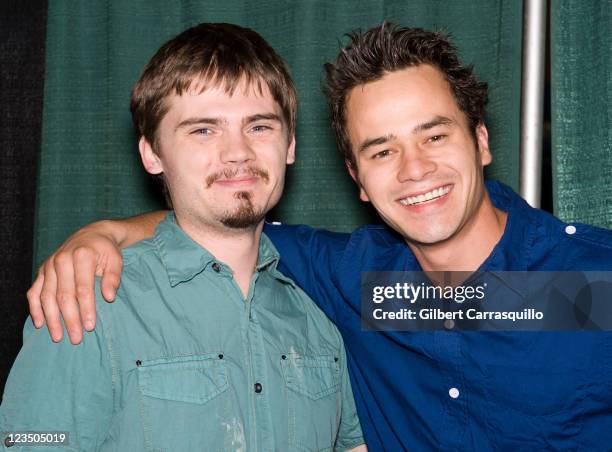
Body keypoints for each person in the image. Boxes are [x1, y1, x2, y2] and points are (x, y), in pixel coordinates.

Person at [24, 23, 612, 450]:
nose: (413, 169)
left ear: (481, 141)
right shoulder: (352, 280)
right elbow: (227, 215)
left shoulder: (588, 284)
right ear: (356, 177)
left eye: (434, 136)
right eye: (382, 150)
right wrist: (105, 232)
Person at [0, 23, 366, 452]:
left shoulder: (320, 312)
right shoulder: (87, 303)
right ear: (152, 154)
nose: (238, 152)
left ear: (290, 146)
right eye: (203, 130)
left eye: (260, 126)